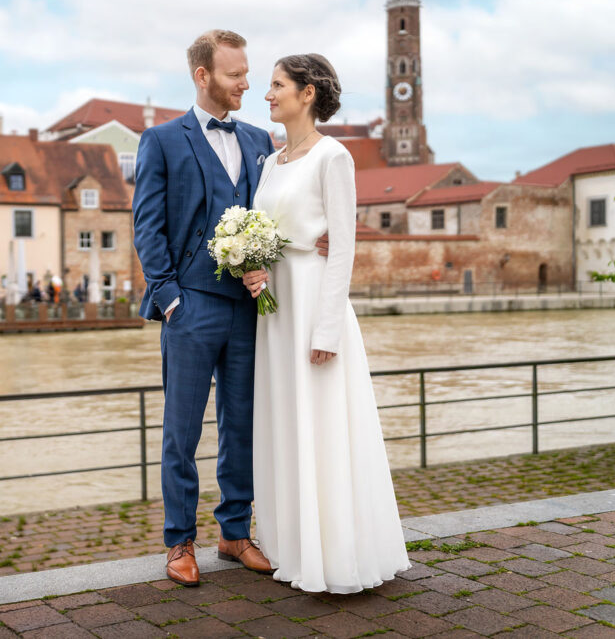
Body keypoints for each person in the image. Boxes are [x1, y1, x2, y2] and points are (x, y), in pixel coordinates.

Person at [133, 30, 330, 586]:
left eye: (249, 73)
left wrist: (322, 237)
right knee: (182, 432)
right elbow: (146, 227)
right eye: (236, 74)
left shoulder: (260, 141)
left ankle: (234, 532)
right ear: (203, 76)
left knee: (243, 425)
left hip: (250, 309)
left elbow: (286, 207)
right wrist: (169, 298)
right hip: (190, 308)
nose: (247, 83)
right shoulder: (162, 140)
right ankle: (179, 544)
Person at [243, 54, 410, 593]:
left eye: (276, 85)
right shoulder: (272, 163)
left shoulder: (334, 156)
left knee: (322, 425)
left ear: (307, 93)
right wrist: (251, 264)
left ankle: (335, 554)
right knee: (284, 422)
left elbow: (343, 248)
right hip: (275, 307)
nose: (267, 95)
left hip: (315, 299)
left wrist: (327, 329)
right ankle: (291, 546)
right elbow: (263, 231)